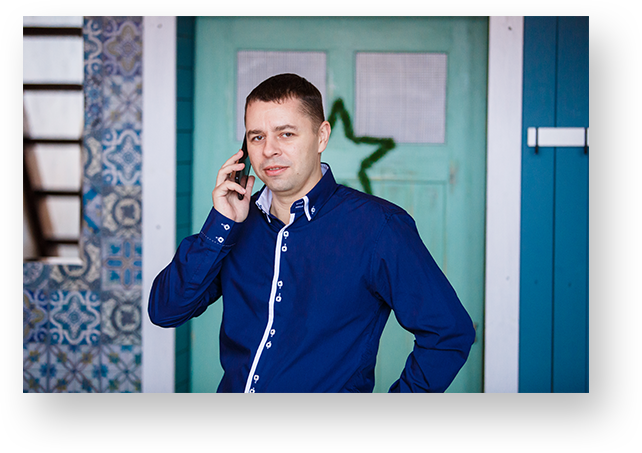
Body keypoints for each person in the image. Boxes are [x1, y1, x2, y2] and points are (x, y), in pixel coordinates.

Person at [149, 73, 475, 392]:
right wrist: (221, 224)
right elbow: (166, 311)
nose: (269, 150)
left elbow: (448, 333)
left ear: (321, 137)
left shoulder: (380, 227)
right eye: (257, 137)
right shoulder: (233, 225)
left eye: (286, 134)